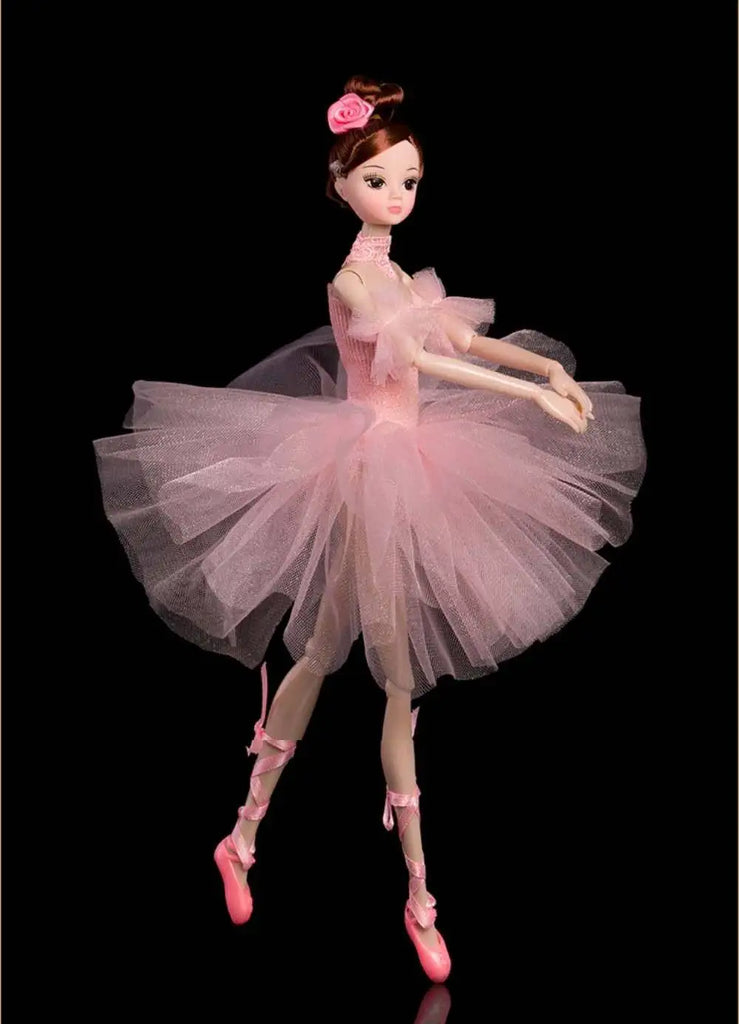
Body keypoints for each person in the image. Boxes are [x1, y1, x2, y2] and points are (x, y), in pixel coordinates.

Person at [91, 74, 646, 982]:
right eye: (378, 179)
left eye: (409, 180)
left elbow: (455, 341)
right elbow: (414, 353)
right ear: (340, 182)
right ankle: (414, 894)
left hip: (411, 464)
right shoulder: (353, 278)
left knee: (326, 656)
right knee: (390, 673)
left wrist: (544, 373)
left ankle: (243, 837)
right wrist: (528, 395)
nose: (395, 194)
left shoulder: (391, 271)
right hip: (365, 470)